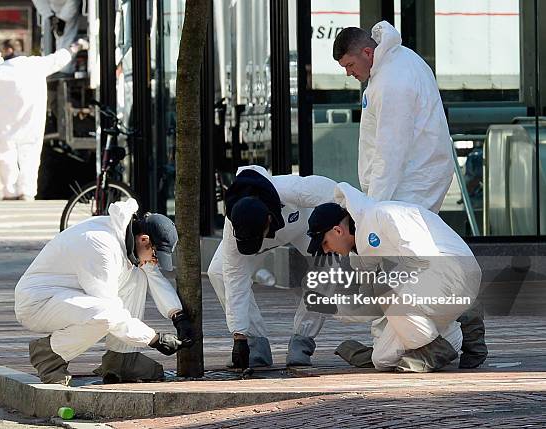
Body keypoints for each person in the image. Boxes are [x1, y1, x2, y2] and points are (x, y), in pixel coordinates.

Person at [332, 21, 486, 368]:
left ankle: (442, 330)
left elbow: (389, 151)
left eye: (350, 66)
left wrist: (369, 210)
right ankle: (447, 325)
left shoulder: (392, 81)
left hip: (408, 182)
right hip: (413, 178)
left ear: (368, 52)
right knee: (400, 269)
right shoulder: (399, 64)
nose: (349, 74)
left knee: (391, 269)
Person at [15, 199, 195, 385]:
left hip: (67, 296)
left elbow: (153, 275)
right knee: (104, 316)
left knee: (138, 274)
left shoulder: (126, 237)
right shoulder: (101, 246)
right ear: (144, 240)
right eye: (156, 256)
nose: (155, 261)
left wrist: (177, 315)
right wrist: (154, 339)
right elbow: (110, 313)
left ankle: (122, 359)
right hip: (38, 303)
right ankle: (49, 356)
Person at [306, 183, 482, 372]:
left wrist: (392, 282)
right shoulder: (359, 257)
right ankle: (453, 335)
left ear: (337, 231)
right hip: (428, 287)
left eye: (324, 242)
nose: (326, 250)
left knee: (384, 285)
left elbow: (422, 253)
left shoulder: (382, 215)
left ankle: (445, 338)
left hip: (451, 271)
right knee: (382, 360)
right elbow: (371, 304)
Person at [208, 165, 337, 368]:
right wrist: (239, 336)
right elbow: (235, 281)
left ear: (268, 220)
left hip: (303, 227)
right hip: (255, 235)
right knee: (218, 273)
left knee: (330, 267)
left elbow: (335, 192)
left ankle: (302, 342)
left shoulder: (288, 189)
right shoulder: (233, 226)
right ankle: (256, 345)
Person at [0, 40, 87, 201]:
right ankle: (26, 191)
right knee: (30, 155)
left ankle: (9, 190)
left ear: (7, 52)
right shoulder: (36, 64)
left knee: (7, 154)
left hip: (5, 122)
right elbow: (59, 58)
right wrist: (76, 47)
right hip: (31, 120)